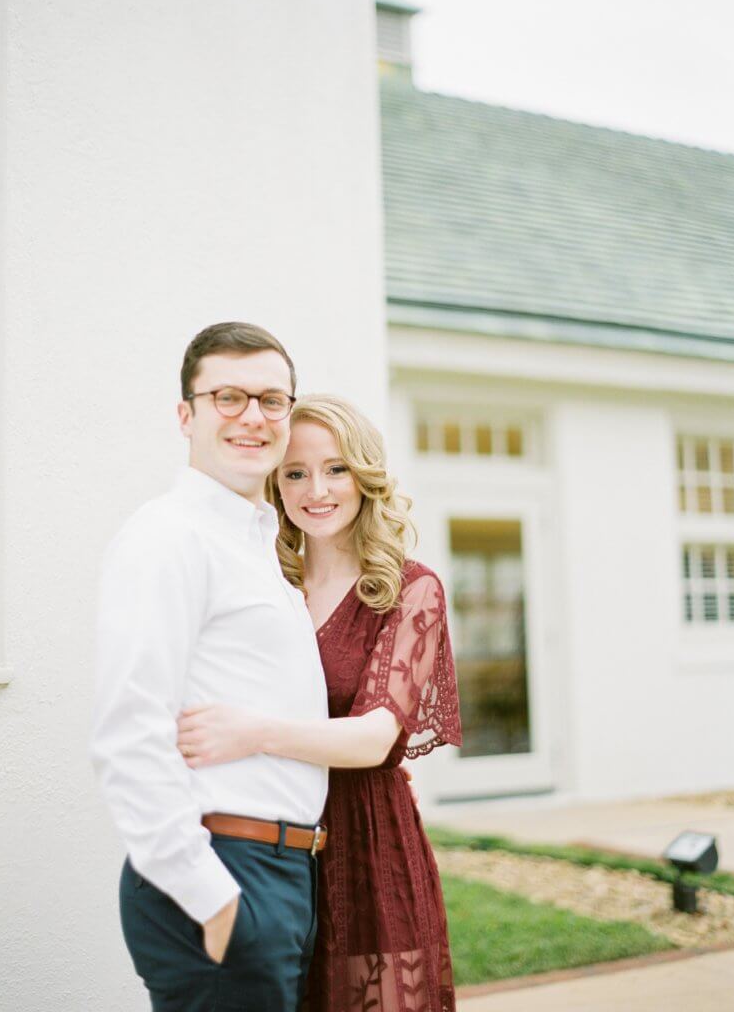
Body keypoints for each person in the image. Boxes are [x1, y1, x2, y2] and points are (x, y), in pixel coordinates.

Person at [176, 394, 463, 1012]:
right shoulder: (264, 584)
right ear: (276, 485)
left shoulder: (410, 590)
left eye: (335, 468)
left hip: (366, 844)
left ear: (365, 475)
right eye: (296, 473)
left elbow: (374, 738)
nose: (317, 490)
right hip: (265, 844)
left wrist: (252, 732)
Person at [91, 322, 330, 1012]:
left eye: (272, 399)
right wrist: (215, 901)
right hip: (225, 875)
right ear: (185, 415)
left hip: (281, 875)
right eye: (228, 396)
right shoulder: (168, 537)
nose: (252, 416)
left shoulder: (261, 546)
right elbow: (128, 732)